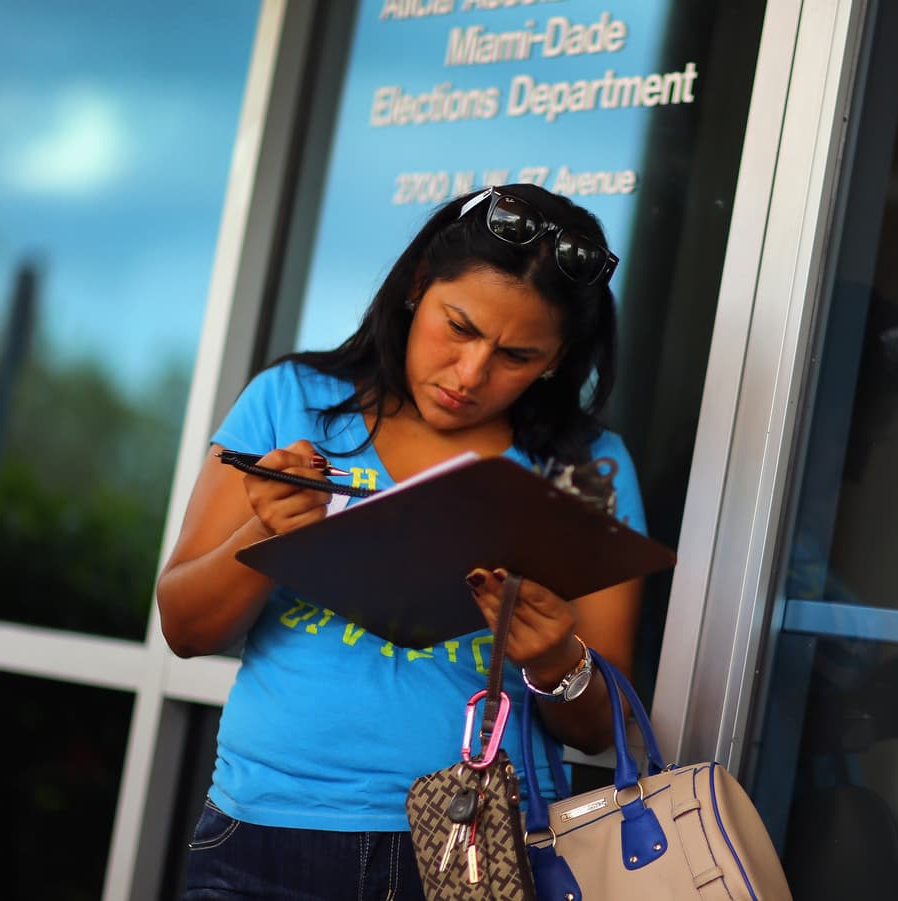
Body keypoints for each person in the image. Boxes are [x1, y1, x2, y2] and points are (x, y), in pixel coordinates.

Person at [157, 184, 646, 899]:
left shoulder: (585, 469)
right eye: (460, 326)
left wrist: (553, 660)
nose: (472, 373)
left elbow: (601, 726)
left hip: (479, 850)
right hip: (268, 833)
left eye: (516, 354)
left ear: (556, 359)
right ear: (419, 286)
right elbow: (184, 629)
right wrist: (264, 531)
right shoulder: (295, 402)